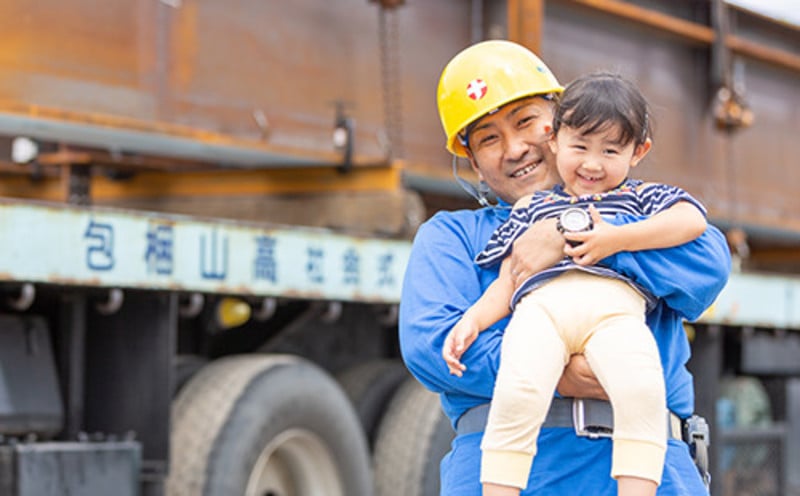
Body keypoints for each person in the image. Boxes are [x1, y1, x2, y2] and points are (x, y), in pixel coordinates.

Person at [398, 39, 731, 495]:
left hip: (653, 476)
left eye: (525, 122)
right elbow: (432, 346)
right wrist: (561, 374)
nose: (515, 148)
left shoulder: (641, 211)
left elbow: (708, 265)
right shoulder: (453, 236)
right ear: (472, 161)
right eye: (489, 138)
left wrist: (569, 237)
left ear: (558, 125)